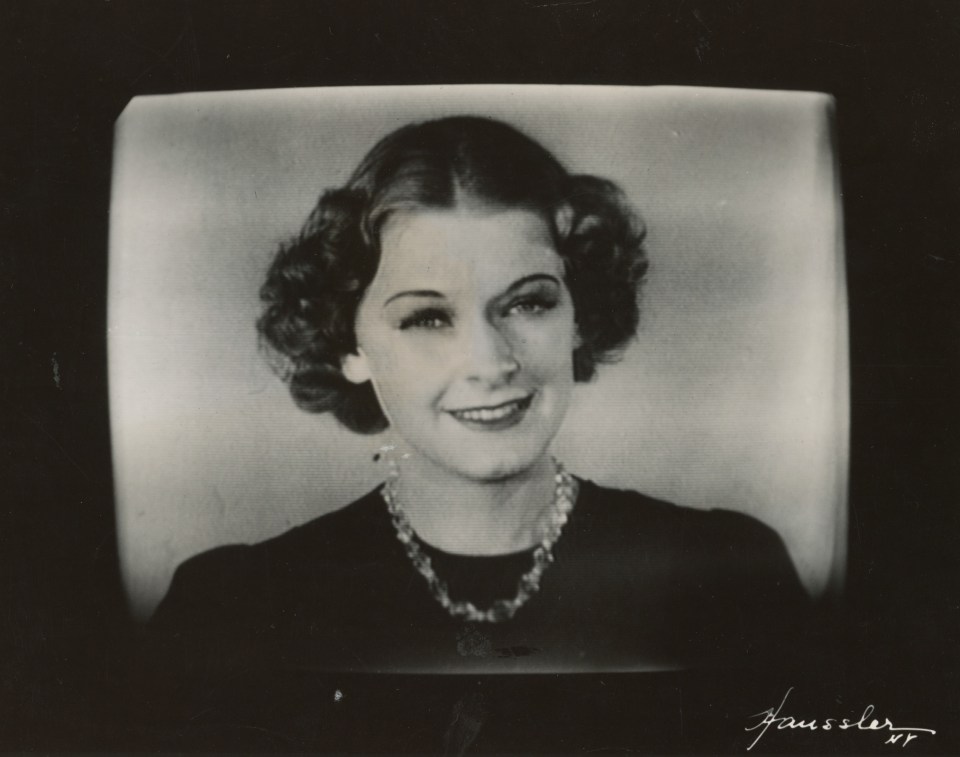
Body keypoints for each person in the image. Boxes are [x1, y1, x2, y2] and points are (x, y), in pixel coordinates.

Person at [147, 115, 809, 680]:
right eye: (428, 318)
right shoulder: (232, 606)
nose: (491, 362)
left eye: (528, 302)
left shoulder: (727, 575)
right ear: (348, 344)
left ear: (579, 315)